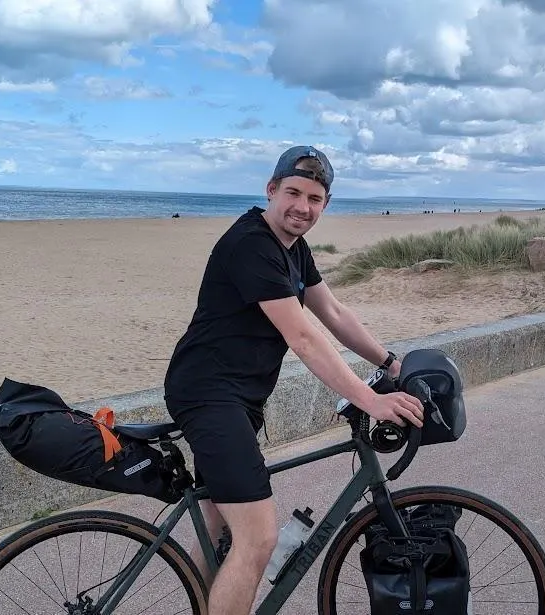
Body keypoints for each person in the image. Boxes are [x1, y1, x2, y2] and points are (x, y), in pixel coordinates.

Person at [162, 145, 425, 614]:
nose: (302, 207)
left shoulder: (294, 249)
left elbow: (334, 313)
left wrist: (391, 364)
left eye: (315, 199)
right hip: (209, 395)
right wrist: (370, 400)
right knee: (257, 538)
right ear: (271, 190)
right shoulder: (252, 243)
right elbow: (302, 337)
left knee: (218, 525)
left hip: (238, 398)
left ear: (326, 204)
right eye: (293, 193)